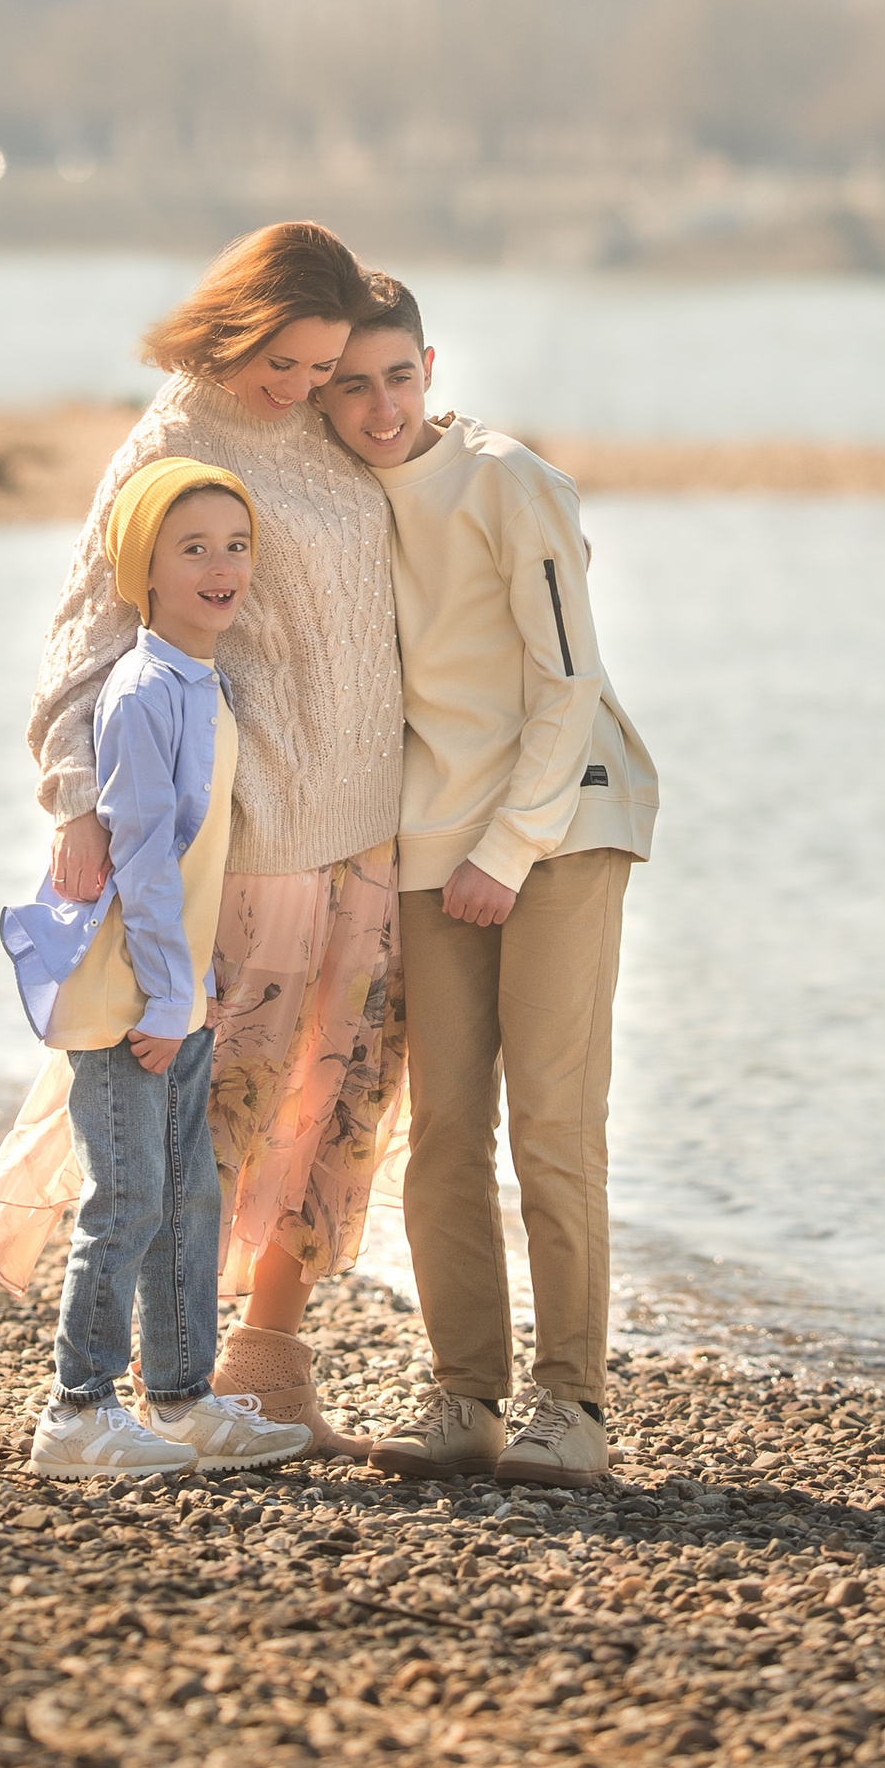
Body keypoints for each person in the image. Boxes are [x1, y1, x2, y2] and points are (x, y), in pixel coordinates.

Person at [0, 221, 404, 1458]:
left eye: (323, 369)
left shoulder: (320, 428)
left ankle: (238, 1382)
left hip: (372, 832)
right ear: (237, 323)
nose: (302, 390)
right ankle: (132, 1399)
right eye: (287, 364)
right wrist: (75, 800)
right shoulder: (173, 442)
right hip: (254, 844)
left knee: (332, 1114)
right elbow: (80, 633)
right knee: (202, 1130)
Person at [313, 275, 658, 1492]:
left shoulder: (509, 480)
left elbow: (568, 684)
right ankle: (465, 1398)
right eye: (349, 385)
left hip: (559, 827)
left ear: (431, 366)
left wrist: (507, 853)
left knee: (552, 1128)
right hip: (429, 844)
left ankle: (574, 1408)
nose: (379, 406)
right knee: (444, 1133)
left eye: (397, 376)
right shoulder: (338, 496)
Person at [2, 459, 316, 1480]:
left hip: (173, 989)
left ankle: (180, 1399)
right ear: (143, 568)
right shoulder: (143, 693)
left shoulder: (201, 682)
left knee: (188, 1196)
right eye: (194, 549)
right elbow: (138, 856)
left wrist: (196, 986)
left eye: (236, 545)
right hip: (125, 995)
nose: (222, 566)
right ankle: (75, 1413)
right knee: (128, 1201)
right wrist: (171, 996)